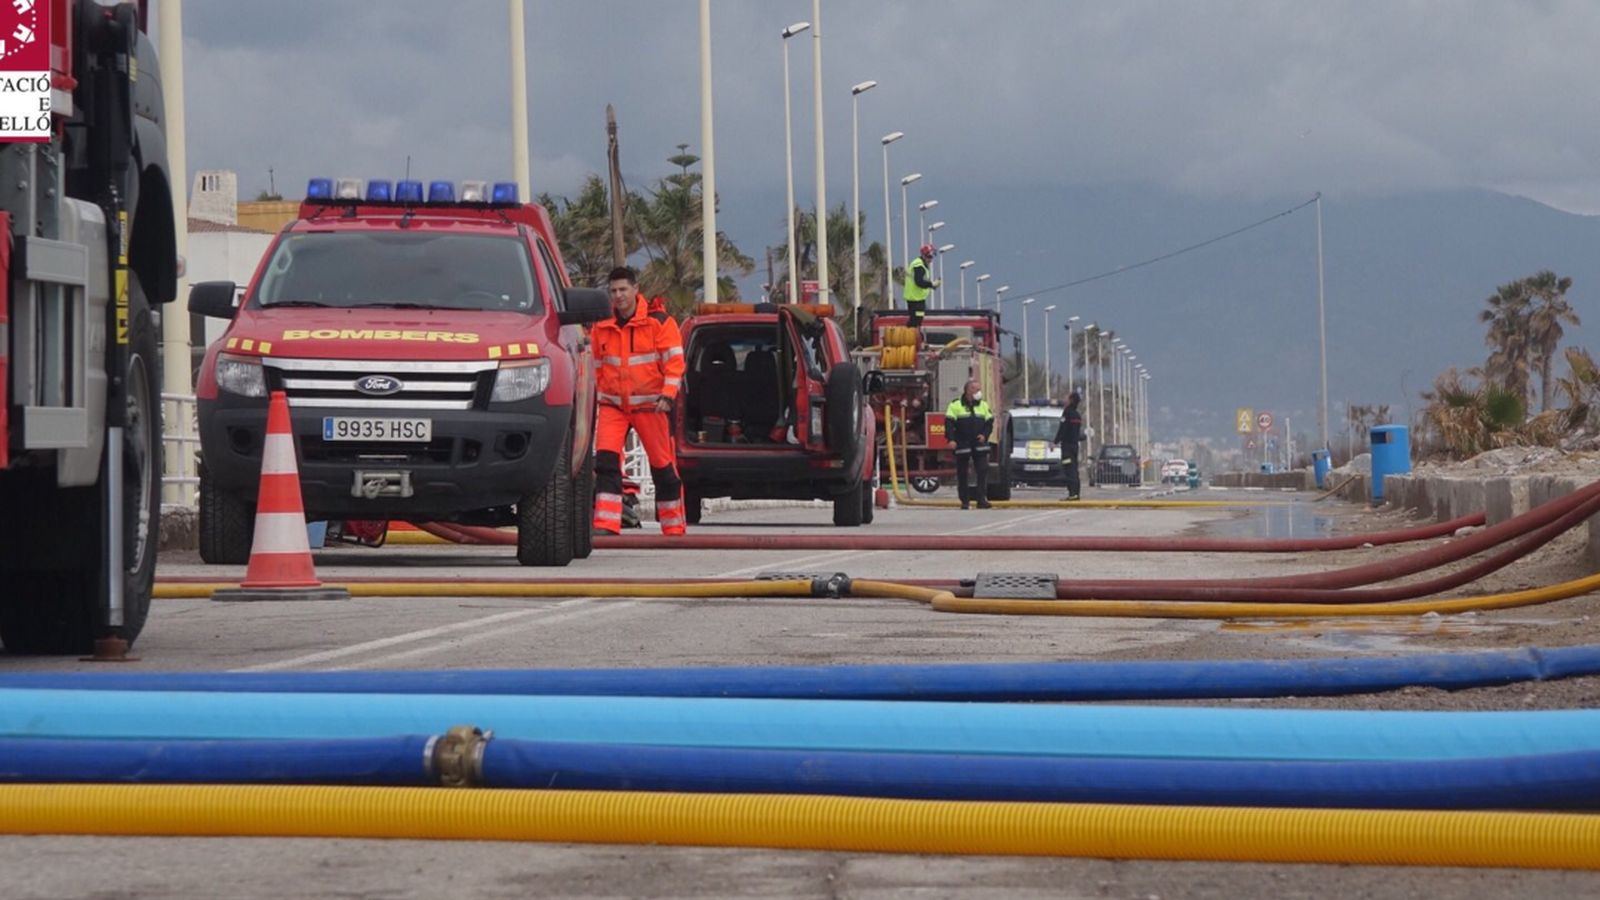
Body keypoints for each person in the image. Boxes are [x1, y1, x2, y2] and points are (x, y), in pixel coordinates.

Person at [591, 266, 688, 536]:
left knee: (662, 468)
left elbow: (675, 364)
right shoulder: (602, 325)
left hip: (651, 405)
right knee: (606, 463)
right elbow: (597, 368)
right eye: (613, 291)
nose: (618, 295)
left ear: (636, 289)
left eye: (623, 289)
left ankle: (673, 526)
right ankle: (606, 524)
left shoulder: (659, 322)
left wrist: (668, 396)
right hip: (613, 406)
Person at [944, 378, 994, 509]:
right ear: (968, 390)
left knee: (982, 471)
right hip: (962, 443)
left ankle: (981, 499)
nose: (979, 392)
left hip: (979, 443)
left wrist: (984, 435)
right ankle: (965, 501)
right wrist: (951, 439)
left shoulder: (983, 405)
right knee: (962, 473)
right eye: (976, 389)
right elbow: (949, 424)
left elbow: (989, 423)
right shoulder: (955, 405)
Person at [1054, 390, 1084, 501]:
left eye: (1066, 398)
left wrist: (1055, 442)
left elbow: (1063, 429)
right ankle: (1076, 493)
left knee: (1069, 470)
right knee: (1074, 470)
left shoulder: (1067, 413)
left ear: (1071, 400)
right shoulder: (1077, 415)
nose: (1064, 400)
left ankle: (1072, 494)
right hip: (1075, 447)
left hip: (1067, 447)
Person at [901, 244, 939, 327]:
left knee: (916, 321)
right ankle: (909, 337)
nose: (931, 259)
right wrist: (931, 284)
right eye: (929, 256)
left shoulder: (920, 264)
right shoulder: (919, 265)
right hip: (915, 299)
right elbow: (919, 282)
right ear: (924, 256)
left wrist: (931, 285)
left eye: (932, 256)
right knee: (916, 321)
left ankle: (911, 336)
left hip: (917, 298)